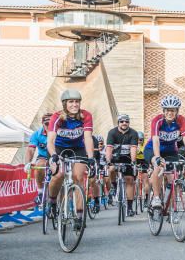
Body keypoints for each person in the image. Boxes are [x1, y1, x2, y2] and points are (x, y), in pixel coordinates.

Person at [47, 89, 95, 227]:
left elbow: (87, 137)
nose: (74, 104)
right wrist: (54, 155)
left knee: (78, 177)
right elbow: (50, 140)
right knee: (58, 174)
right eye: (71, 102)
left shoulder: (86, 115)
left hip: (77, 148)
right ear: (64, 104)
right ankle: (52, 201)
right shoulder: (57, 117)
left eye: (77, 102)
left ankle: (79, 216)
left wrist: (91, 157)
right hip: (58, 148)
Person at [145, 95, 185, 211]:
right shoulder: (158, 121)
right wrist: (157, 157)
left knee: (173, 178)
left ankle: (170, 208)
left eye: (173, 110)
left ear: (177, 111)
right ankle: (156, 197)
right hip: (152, 149)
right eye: (167, 110)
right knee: (158, 166)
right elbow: (156, 140)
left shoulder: (181, 120)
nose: (170, 113)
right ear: (163, 111)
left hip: (171, 150)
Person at [105, 114, 140, 216]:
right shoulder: (112, 132)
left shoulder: (133, 133)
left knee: (129, 180)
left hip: (128, 158)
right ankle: (114, 185)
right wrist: (108, 160)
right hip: (115, 157)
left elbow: (133, 148)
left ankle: (129, 208)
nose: (124, 123)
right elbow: (109, 148)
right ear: (118, 123)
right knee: (111, 169)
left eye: (126, 121)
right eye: (122, 121)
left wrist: (133, 162)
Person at [25, 112, 54, 193]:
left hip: (58, 156)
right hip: (43, 157)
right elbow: (31, 149)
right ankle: (40, 191)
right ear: (42, 123)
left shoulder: (59, 132)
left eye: (51, 124)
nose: (49, 126)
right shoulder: (36, 134)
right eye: (47, 124)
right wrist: (27, 163)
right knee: (40, 164)